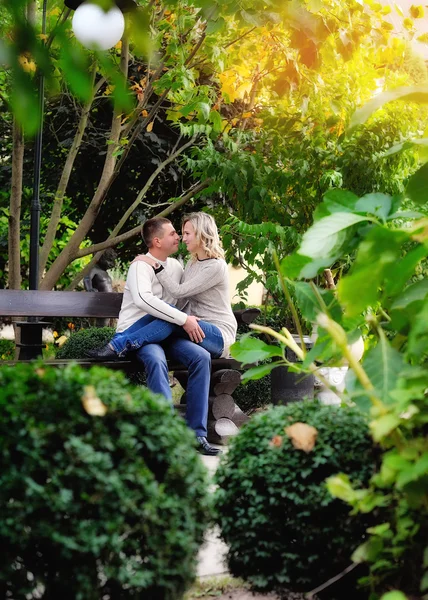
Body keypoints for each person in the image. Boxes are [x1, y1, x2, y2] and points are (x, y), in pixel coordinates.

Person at [87, 216, 222, 456]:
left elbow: (181, 300)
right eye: (173, 233)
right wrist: (183, 320)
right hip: (140, 333)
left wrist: (186, 320)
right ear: (157, 241)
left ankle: (197, 434)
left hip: (167, 332)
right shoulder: (139, 266)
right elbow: (145, 301)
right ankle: (166, 432)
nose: (178, 237)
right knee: (156, 360)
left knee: (201, 356)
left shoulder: (178, 266)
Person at [89, 212, 236, 362]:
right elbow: (183, 300)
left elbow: (178, 292)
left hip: (219, 334)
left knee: (170, 317)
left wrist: (154, 264)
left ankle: (119, 347)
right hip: (196, 329)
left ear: (201, 234)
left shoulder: (216, 266)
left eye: (187, 233)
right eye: (182, 233)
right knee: (165, 314)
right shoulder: (192, 263)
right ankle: (115, 344)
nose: (182, 238)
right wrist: (177, 316)